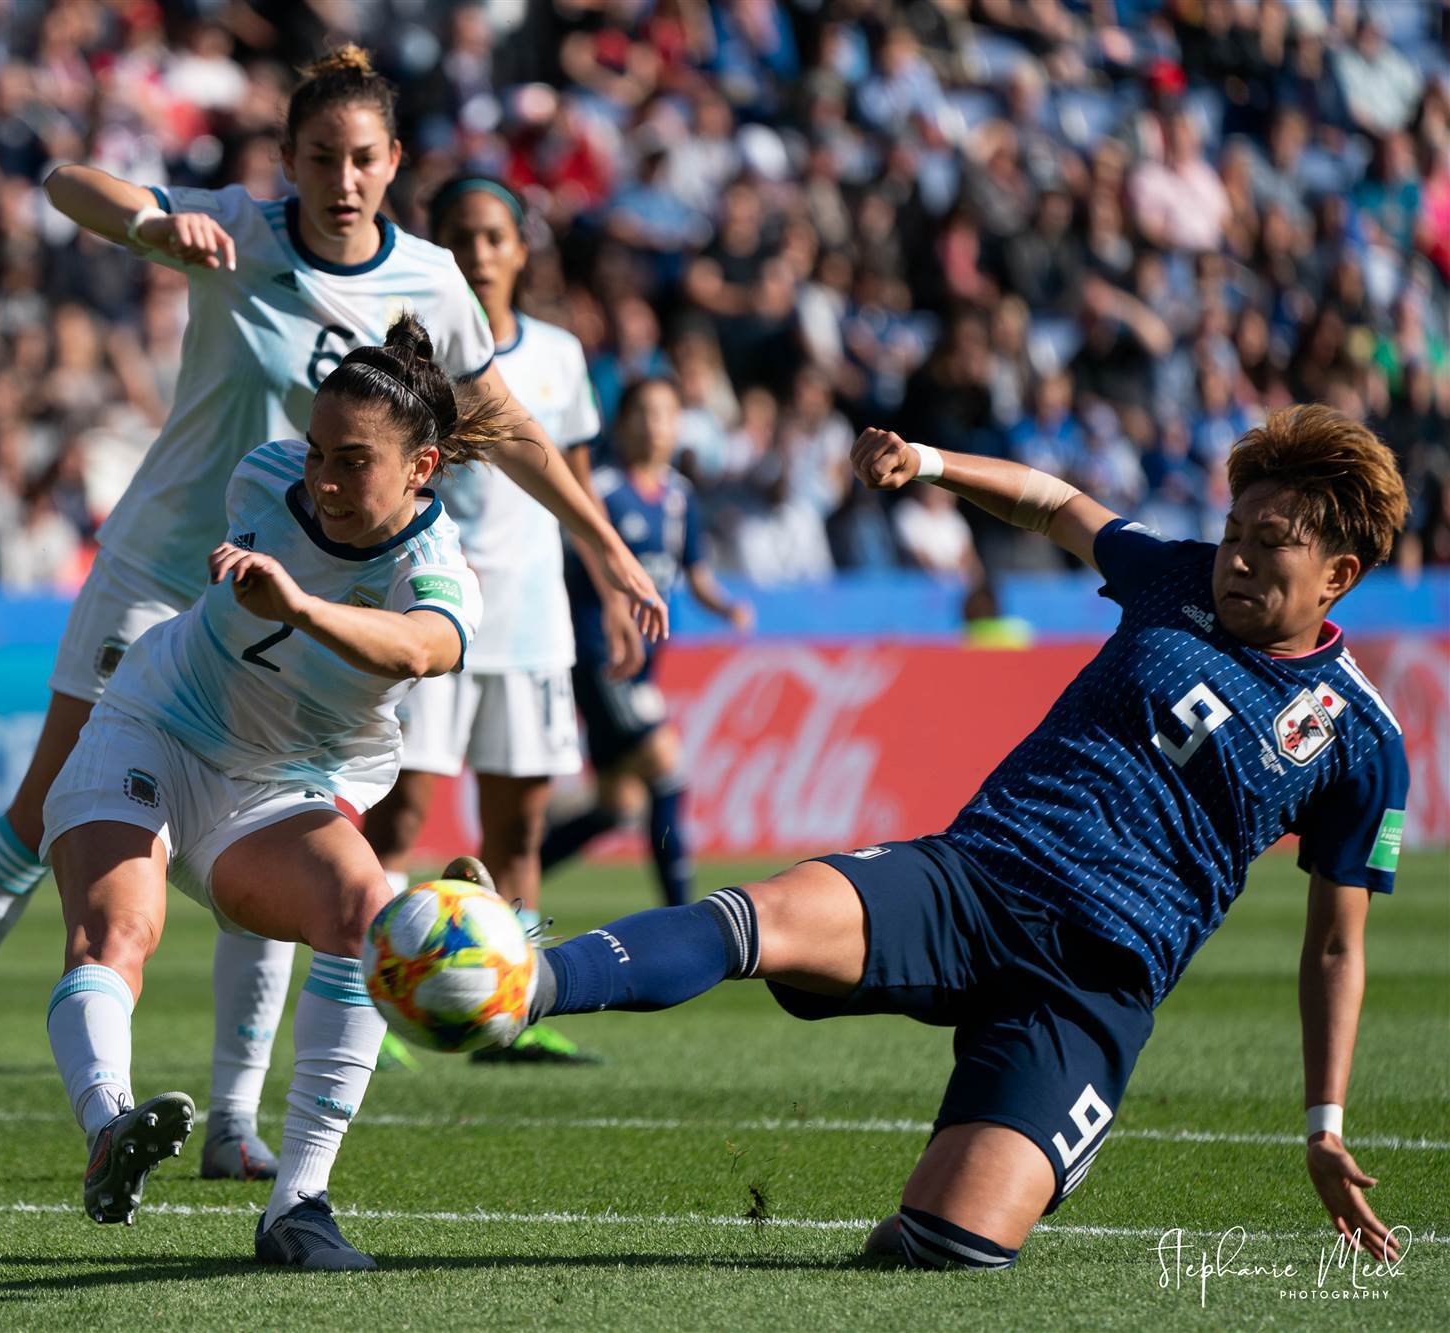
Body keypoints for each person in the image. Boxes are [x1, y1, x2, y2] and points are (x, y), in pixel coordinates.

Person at [0, 46, 665, 1179]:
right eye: (319, 159)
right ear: (285, 161)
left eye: (361, 160)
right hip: (165, 567)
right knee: (47, 809)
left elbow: (512, 428)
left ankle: (237, 1125)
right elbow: (64, 183)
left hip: (303, 589)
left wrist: (606, 546)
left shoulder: (432, 284)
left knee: (288, 824)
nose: (341, 181)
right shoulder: (238, 225)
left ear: (393, 165)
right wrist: (153, 228)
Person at [508, 404, 1410, 1269]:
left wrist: (1323, 1123)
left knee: (954, 1246)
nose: (1239, 559)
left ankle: (966, 1187)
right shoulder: (1176, 575)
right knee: (757, 917)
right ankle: (523, 980)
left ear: (1338, 574)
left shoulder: (1363, 742)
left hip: (1095, 984)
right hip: (976, 880)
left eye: (1271, 542)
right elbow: (1055, 503)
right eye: (1235, 531)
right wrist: (928, 463)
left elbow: (1336, 945)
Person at [42, 315, 499, 1270]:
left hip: (281, 786)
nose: (323, 480)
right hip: (155, 724)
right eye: (320, 450)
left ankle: (298, 1207)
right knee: (118, 931)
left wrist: (297, 601)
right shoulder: (263, 474)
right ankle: (108, 1127)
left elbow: (423, 648)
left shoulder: (438, 570)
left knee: (366, 912)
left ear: (423, 467)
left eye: (354, 462)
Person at [362, 174, 614, 1067]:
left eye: (493, 236)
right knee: (399, 819)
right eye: (459, 236)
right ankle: (370, 1002)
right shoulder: (408, 353)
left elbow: (574, 483)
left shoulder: (557, 353)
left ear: (520, 249)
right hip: (431, 614)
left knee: (520, 830)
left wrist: (611, 586)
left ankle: (514, 1006)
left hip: (534, 619)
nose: (477, 252)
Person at [540, 377, 753, 910]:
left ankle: (508, 872)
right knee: (665, 765)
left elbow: (694, 572)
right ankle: (682, 912)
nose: (655, 425)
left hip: (644, 668)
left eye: (665, 414)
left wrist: (726, 607)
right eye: (644, 413)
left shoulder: (680, 497)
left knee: (618, 804)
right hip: (602, 657)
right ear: (622, 421)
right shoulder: (602, 489)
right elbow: (573, 562)